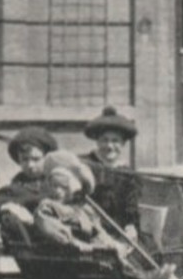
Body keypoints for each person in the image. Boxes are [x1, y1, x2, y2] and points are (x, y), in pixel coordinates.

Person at [0, 126, 58, 240]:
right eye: (25, 159)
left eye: (36, 159)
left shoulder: (57, 184)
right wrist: (2, 207)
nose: (30, 165)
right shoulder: (12, 190)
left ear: (47, 158)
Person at [80, 105, 143, 242]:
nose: (109, 146)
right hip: (89, 228)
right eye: (104, 140)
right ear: (97, 141)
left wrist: (131, 226)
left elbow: (131, 208)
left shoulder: (128, 174)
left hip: (118, 231)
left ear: (123, 143)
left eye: (115, 141)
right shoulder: (86, 166)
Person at [31, 151, 103, 249]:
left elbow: (98, 233)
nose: (58, 191)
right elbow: (51, 227)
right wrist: (76, 243)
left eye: (64, 186)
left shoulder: (85, 211)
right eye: (54, 185)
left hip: (88, 256)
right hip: (62, 254)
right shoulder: (48, 206)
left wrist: (113, 245)